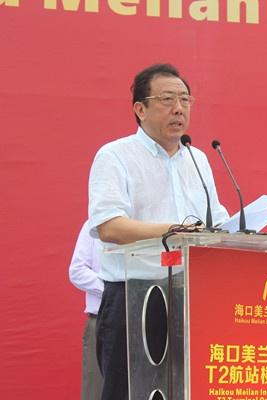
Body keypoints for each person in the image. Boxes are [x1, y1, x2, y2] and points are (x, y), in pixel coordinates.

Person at [88, 63, 228, 399]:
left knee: (186, 390)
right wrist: (171, 231)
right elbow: (109, 226)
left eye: (185, 99)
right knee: (127, 391)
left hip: (191, 296)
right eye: (167, 99)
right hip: (134, 296)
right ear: (140, 109)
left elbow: (216, 223)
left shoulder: (198, 159)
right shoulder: (115, 156)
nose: (179, 108)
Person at [69, 221, 104, 400]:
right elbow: (77, 271)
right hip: (101, 320)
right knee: (96, 390)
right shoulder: (95, 223)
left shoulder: (149, 222)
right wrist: (113, 291)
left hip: (143, 318)